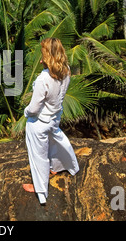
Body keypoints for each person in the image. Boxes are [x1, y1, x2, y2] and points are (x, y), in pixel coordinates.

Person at [23, 37, 79, 205]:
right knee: (56, 141)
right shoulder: (66, 71)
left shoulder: (43, 79)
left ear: (46, 55)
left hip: (39, 122)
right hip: (55, 118)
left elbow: (34, 108)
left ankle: (40, 189)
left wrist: (26, 112)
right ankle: (63, 166)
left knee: (38, 155)